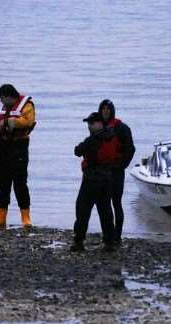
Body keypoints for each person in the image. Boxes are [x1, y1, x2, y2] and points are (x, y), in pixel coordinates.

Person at [0, 84, 36, 228]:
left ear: (9, 96)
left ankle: (26, 218)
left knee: (20, 182)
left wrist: (9, 121)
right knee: (2, 182)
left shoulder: (26, 105)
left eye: (2, 99)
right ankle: (0, 217)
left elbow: (28, 121)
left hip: (19, 147)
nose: (1, 102)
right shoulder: (4, 108)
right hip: (2, 146)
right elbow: (0, 124)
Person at [71, 112, 119, 252]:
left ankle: (78, 241)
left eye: (92, 123)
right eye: (88, 124)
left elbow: (77, 151)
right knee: (105, 210)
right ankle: (109, 242)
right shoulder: (112, 137)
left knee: (82, 209)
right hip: (108, 177)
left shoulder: (92, 140)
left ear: (100, 123)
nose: (89, 126)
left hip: (92, 178)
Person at [98, 99, 135, 244]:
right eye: (103, 109)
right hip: (102, 172)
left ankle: (117, 235)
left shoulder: (121, 128)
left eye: (108, 109)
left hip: (116, 171)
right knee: (104, 204)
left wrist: (122, 165)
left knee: (116, 203)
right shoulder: (98, 127)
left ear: (112, 111)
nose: (105, 111)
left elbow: (130, 149)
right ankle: (108, 234)